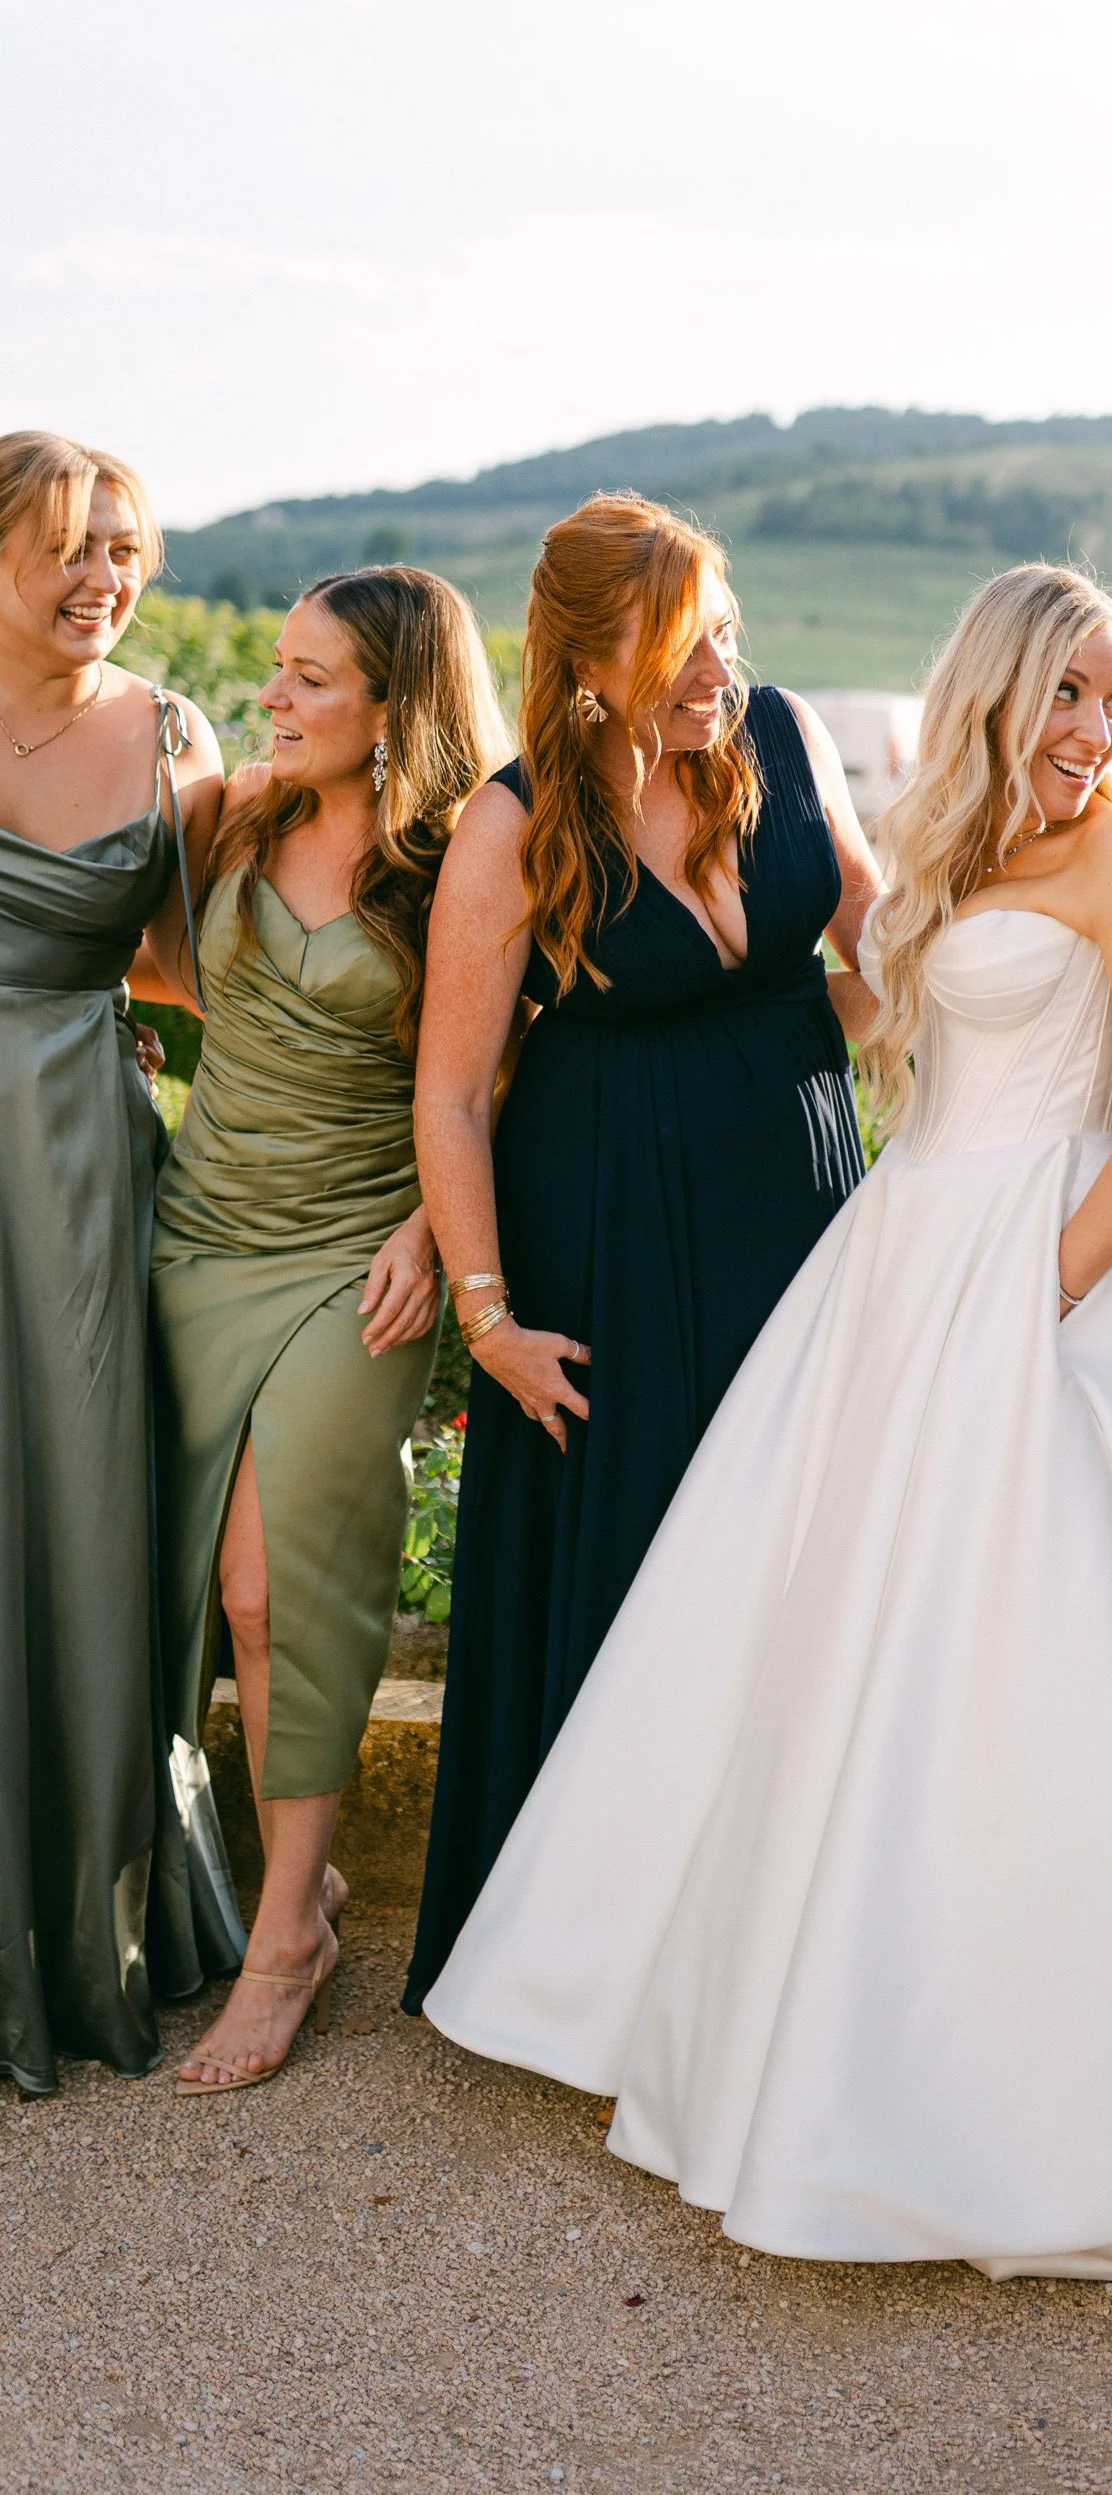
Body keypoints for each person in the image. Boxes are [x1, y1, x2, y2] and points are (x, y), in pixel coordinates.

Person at [423, 562, 1112, 2282]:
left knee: (1035, 1657)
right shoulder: (948, 851)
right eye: (1068, 691)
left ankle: (1080, 2095)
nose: (1096, 726)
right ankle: (801, 2034)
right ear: (994, 692)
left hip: (1060, 1277)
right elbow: (869, 1009)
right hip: (897, 1251)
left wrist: (1039, 1294)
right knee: (821, 1636)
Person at [402, 495, 878, 2013]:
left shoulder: (786, 738)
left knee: (801, 1555)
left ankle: (784, 1937)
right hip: (610, 1231)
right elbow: (453, 1092)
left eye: (725, 633)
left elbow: (885, 952)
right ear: (588, 664)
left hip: (804, 1204)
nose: (717, 674)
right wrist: (488, 1321)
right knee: (646, 1560)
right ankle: (610, 1966)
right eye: (680, 651)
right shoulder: (516, 821)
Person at [156, 567, 508, 2094]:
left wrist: (432, 1228)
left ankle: (286, 1938)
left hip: (359, 1259)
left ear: (393, 706)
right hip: (196, 1239)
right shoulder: (230, 815)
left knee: (274, 1582)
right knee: (207, 1597)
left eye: (311, 678)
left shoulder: (462, 862)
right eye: (279, 669)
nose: (275, 696)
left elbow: (499, 1077)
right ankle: (301, 1872)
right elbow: (140, 961)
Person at [0, 428, 231, 2096]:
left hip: (77, 1165)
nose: (106, 580)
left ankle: (87, 1925)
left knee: (82, 1508)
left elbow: (192, 970)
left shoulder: (172, 737)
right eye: (72, 546)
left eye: (125, 550)